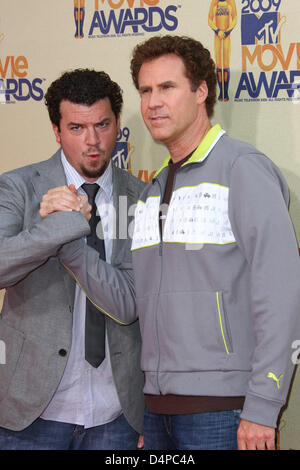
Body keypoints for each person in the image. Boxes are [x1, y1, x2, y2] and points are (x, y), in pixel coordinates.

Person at [42, 36, 300, 450]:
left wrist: (263, 406)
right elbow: (130, 303)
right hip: (157, 412)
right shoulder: (152, 191)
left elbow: (282, 294)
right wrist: (69, 240)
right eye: (145, 90)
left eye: (167, 88)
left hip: (226, 410)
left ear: (201, 91)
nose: (153, 103)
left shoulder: (243, 169)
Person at [0, 68, 145, 450]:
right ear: (56, 130)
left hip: (117, 414)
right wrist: (59, 227)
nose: (93, 141)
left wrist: (69, 238)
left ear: (117, 124)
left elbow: (129, 303)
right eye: (77, 128)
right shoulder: (18, 187)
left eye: (102, 124)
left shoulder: (142, 197)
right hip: (31, 412)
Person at [208, 0, 237, 101]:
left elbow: (234, 18)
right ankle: (221, 92)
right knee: (219, 65)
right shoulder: (214, 3)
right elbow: (210, 20)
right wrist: (217, 30)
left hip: (226, 38)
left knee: (226, 64)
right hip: (217, 37)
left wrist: (228, 31)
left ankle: (226, 92)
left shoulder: (230, 3)